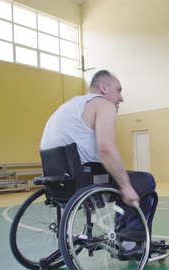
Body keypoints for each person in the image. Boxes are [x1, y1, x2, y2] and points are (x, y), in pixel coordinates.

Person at [40, 70, 158, 236]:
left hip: (57, 182)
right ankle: (130, 241)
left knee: (125, 177)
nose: (121, 98)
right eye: (118, 90)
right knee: (145, 181)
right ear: (103, 88)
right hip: (84, 179)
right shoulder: (103, 104)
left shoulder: (68, 106)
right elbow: (106, 148)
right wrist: (125, 186)